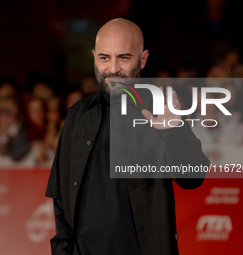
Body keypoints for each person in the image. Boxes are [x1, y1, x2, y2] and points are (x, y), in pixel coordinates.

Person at [45, 18, 210, 255]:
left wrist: (173, 133)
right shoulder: (77, 115)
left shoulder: (161, 107)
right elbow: (60, 195)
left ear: (143, 59)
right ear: (94, 57)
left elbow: (193, 178)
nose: (113, 69)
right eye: (104, 58)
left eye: (123, 57)